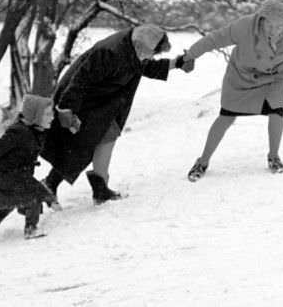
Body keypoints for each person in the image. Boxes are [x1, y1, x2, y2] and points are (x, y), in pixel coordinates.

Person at [40, 24, 193, 205]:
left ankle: (98, 188)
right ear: (140, 46)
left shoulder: (136, 48)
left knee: (103, 140)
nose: (151, 56)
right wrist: (67, 110)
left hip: (105, 105)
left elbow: (146, 67)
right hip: (84, 102)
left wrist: (177, 63)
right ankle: (52, 185)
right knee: (81, 147)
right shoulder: (109, 52)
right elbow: (80, 80)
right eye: (152, 53)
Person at [179, 0, 283, 180]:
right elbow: (215, 39)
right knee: (226, 117)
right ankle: (202, 161)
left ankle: (274, 157)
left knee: (276, 112)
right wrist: (190, 55)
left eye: (279, 26)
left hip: (274, 78)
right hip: (241, 77)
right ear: (262, 19)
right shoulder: (245, 27)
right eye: (269, 25)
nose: (274, 30)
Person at [0, 94, 57, 244]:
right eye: (48, 114)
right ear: (35, 115)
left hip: (14, 175)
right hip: (7, 176)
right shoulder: (19, 131)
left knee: (5, 207)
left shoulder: (36, 130)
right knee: (35, 194)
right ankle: (31, 228)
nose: (52, 117)